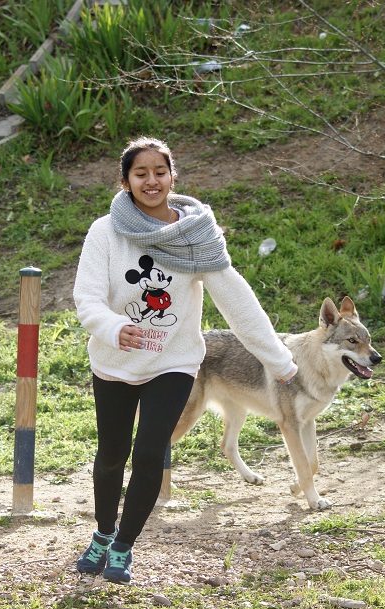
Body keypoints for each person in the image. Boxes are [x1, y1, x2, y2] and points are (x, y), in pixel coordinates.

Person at [72, 136, 297, 584]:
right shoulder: (106, 232)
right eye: (141, 174)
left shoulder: (197, 237)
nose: (151, 181)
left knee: (151, 451)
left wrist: (279, 359)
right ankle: (102, 532)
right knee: (112, 455)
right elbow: (87, 298)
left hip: (173, 362)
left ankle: (123, 546)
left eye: (160, 172)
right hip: (114, 360)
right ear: (125, 182)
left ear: (173, 177)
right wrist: (115, 327)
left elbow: (238, 303)